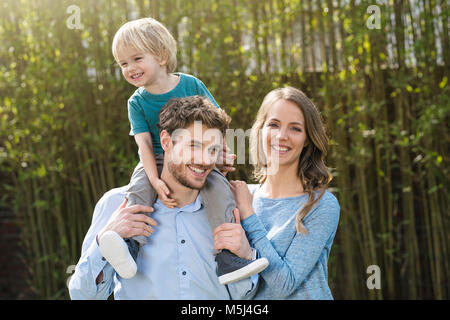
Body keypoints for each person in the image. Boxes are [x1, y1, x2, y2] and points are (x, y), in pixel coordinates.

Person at [100, 17, 267, 284]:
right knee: (138, 189)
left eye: (136, 58)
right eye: (123, 64)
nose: (130, 68)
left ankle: (227, 255)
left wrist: (220, 154)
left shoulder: (191, 85)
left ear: (162, 56)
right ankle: (129, 245)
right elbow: (143, 144)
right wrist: (154, 178)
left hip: (197, 157)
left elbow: (216, 122)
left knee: (220, 190)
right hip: (156, 159)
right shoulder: (136, 102)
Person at [69, 96, 260, 299]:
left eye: (212, 149)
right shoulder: (115, 204)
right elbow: (82, 295)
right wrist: (104, 240)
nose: (205, 160)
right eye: (193, 146)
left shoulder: (232, 209)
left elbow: (244, 297)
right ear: (166, 142)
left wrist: (246, 255)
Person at [213, 87, 340, 299]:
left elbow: (284, 284)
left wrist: (248, 217)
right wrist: (212, 176)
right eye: (273, 125)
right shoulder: (242, 196)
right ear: (260, 130)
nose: (282, 136)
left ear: (308, 138)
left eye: (295, 128)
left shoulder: (321, 205)